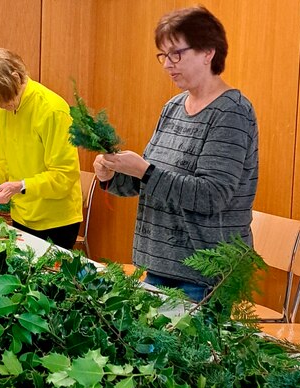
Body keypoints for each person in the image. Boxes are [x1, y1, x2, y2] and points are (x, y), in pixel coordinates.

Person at [93, 7, 258, 302]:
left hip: (202, 276)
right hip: (159, 265)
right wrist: (111, 176)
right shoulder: (173, 107)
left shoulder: (232, 112)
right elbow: (149, 183)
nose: (168, 65)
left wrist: (144, 171)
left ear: (208, 52)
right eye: (164, 56)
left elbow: (211, 196)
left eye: (176, 54)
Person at [0, 48, 83, 250]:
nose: (2, 107)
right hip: (22, 214)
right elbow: (5, 161)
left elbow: (65, 176)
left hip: (56, 221)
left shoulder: (52, 109)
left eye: (4, 101)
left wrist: (20, 185)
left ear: (16, 78)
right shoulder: (3, 109)